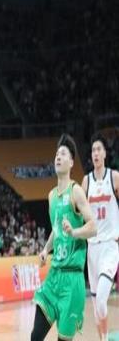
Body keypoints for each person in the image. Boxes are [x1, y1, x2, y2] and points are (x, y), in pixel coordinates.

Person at [31, 134, 97, 341]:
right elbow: (56, 229)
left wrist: (74, 232)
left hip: (73, 280)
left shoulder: (76, 191)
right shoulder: (51, 196)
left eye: (63, 154)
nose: (58, 157)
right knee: (35, 336)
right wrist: (45, 249)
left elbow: (93, 227)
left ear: (71, 162)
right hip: (54, 277)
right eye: (57, 154)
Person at [81, 133, 119, 341]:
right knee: (97, 308)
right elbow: (79, 213)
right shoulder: (86, 181)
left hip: (110, 246)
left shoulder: (114, 177)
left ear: (105, 153)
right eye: (93, 150)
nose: (95, 153)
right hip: (92, 249)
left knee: (102, 301)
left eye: (99, 149)